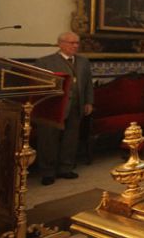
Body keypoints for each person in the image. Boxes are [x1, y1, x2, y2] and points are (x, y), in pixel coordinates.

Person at [34, 32, 94, 186]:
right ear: (60, 44)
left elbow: (88, 84)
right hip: (54, 108)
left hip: (76, 106)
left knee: (71, 138)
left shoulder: (83, 61)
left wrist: (88, 102)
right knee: (48, 139)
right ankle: (47, 172)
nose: (75, 46)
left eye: (77, 43)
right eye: (71, 43)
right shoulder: (45, 62)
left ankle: (65, 168)